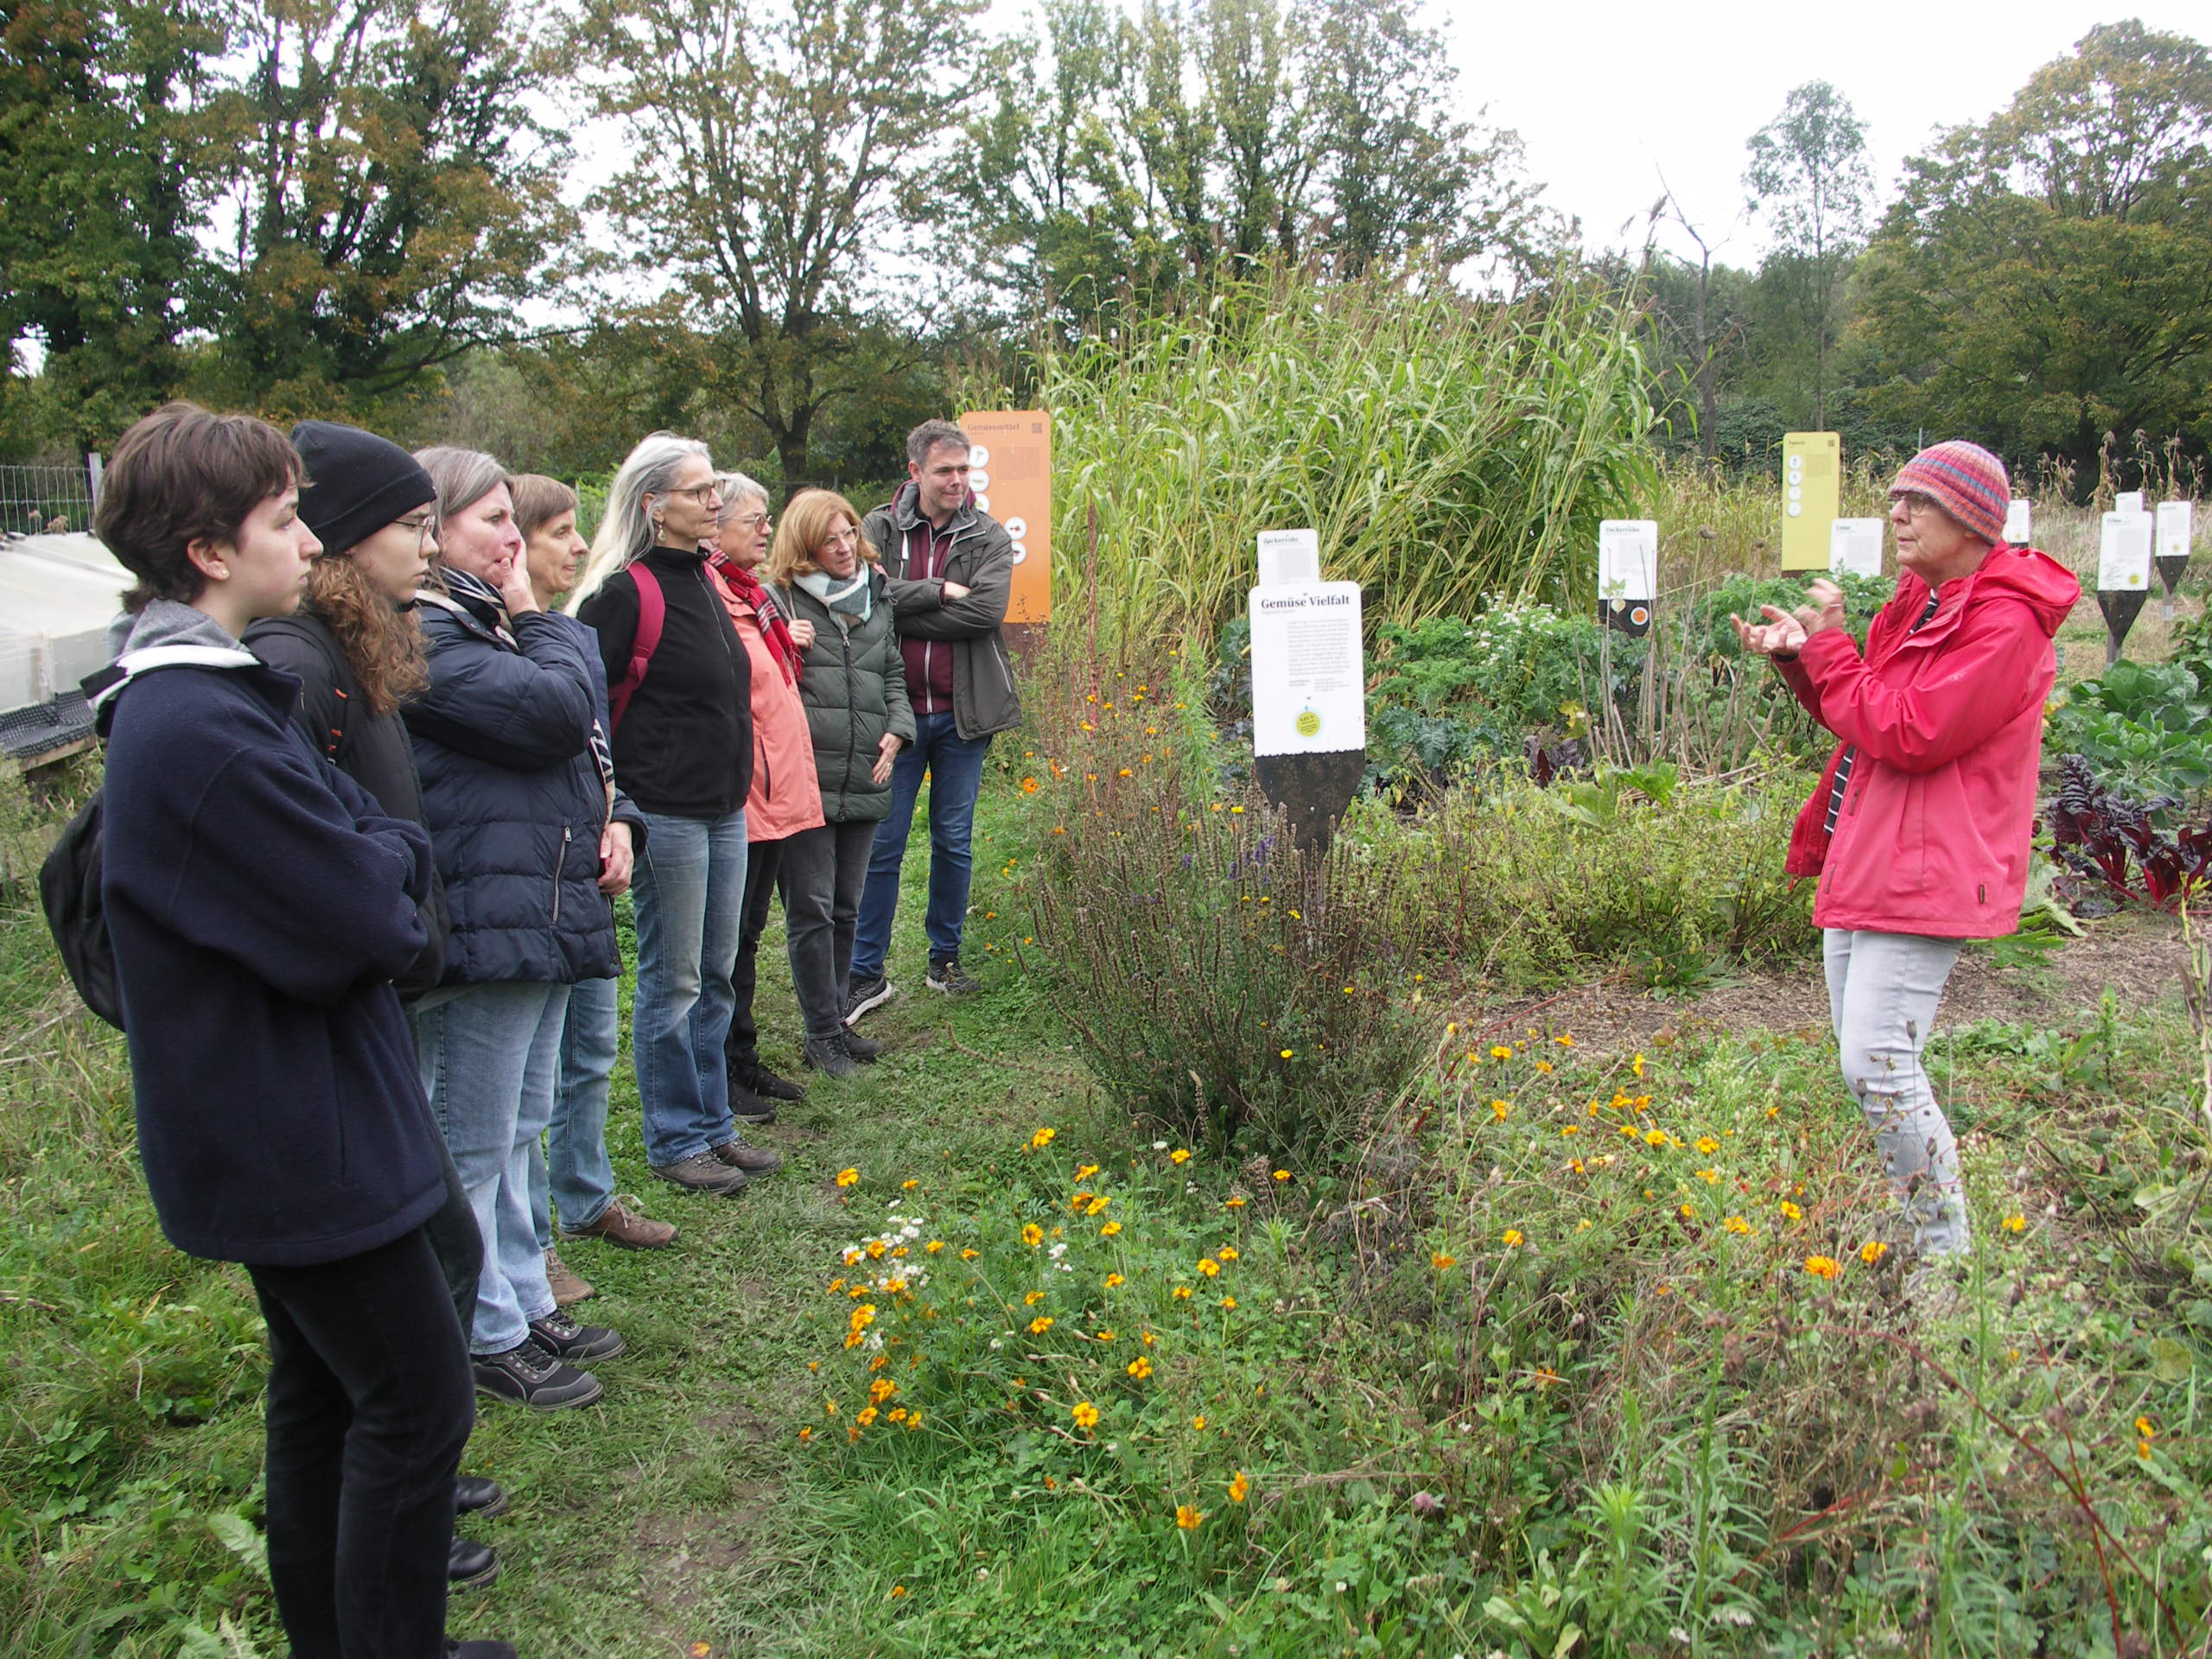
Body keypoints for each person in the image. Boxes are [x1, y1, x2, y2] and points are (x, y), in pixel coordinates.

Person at [91, 403, 512, 1659]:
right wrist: (383, 859)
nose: (308, 539)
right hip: (295, 1132)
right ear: (210, 550)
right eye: (284, 520)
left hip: (299, 1113)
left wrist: (376, 854)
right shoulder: (198, 723)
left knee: (327, 1397)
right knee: (416, 1402)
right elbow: (372, 918)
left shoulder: (213, 700)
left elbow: (369, 850)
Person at [242, 421, 505, 1590]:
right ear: (346, 539)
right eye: (411, 527)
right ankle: (405, 1495)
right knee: (428, 1268)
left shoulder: (353, 649)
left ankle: (403, 1488)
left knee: (387, 1305)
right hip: (339, 1035)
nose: (430, 548)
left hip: (374, 1012)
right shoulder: (296, 669)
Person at [1733, 440, 2079, 1281]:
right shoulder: (1919, 603)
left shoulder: (2003, 622)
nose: (1897, 514)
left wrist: (1832, 646)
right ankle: (1926, 1230)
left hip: (1927, 861)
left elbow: (1913, 731)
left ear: (1971, 519)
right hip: (1871, 846)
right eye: (1895, 499)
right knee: (1869, 1063)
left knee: (1877, 1061)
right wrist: (1801, 657)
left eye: (1917, 501)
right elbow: (1864, 716)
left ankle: (1946, 1261)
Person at [406, 447, 633, 1410]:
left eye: (513, 519)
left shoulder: (480, 623)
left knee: (517, 1128)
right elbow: (561, 709)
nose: (512, 538)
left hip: (533, 906)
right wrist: (537, 614)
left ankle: (521, 1296)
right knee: (473, 1137)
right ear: (433, 527)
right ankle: (482, 1330)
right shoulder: (426, 632)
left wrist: (618, 818)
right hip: (486, 914)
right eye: (492, 519)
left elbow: (580, 743)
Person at [572, 435, 782, 1196]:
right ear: (653, 505)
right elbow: (586, 709)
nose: (715, 502)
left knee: (716, 974)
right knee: (675, 980)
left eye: (712, 489)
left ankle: (713, 1123)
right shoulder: (622, 593)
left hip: (724, 808)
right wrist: (614, 809)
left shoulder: (704, 578)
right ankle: (675, 1139)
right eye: (698, 492)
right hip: (665, 813)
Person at [509, 474, 678, 1306]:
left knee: (589, 1053)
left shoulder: (564, 635)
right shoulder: (502, 647)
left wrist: (621, 820)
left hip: (585, 877)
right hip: (528, 890)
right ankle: (528, 1242)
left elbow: (597, 754)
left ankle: (585, 1197)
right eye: (557, 532)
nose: (577, 546)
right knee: (520, 1092)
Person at [847, 420, 1022, 1021]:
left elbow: (985, 614)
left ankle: (944, 959)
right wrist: (940, 590)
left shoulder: (988, 535)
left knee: (953, 839)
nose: (957, 480)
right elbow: (860, 596)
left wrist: (900, 604)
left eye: (964, 469)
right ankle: (865, 972)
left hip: (961, 715)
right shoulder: (878, 528)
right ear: (915, 472)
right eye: (944, 470)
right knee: (883, 843)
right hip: (892, 717)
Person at [769, 489, 914, 1076]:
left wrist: (898, 729)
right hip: (808, 778)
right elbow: (759, 684)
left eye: (849, 532)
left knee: (848, 907)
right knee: (813, 909)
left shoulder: (876, 593)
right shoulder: (778, 600)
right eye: (828, 540)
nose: (844, 547)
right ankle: (821, 1034)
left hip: (866, 774)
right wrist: (784, 642)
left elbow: (892, 671)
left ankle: (834, 1022)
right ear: (804, 547)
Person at [703, 474, 829, 1107]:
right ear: (714, 525)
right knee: (725, 941)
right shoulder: (710, 596)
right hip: (744, 796)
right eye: (753, 519)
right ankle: (721, 1071)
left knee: (748, 932)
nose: (765, 529)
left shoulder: (752, 595)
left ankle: (741, 1058)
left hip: (775, 793)